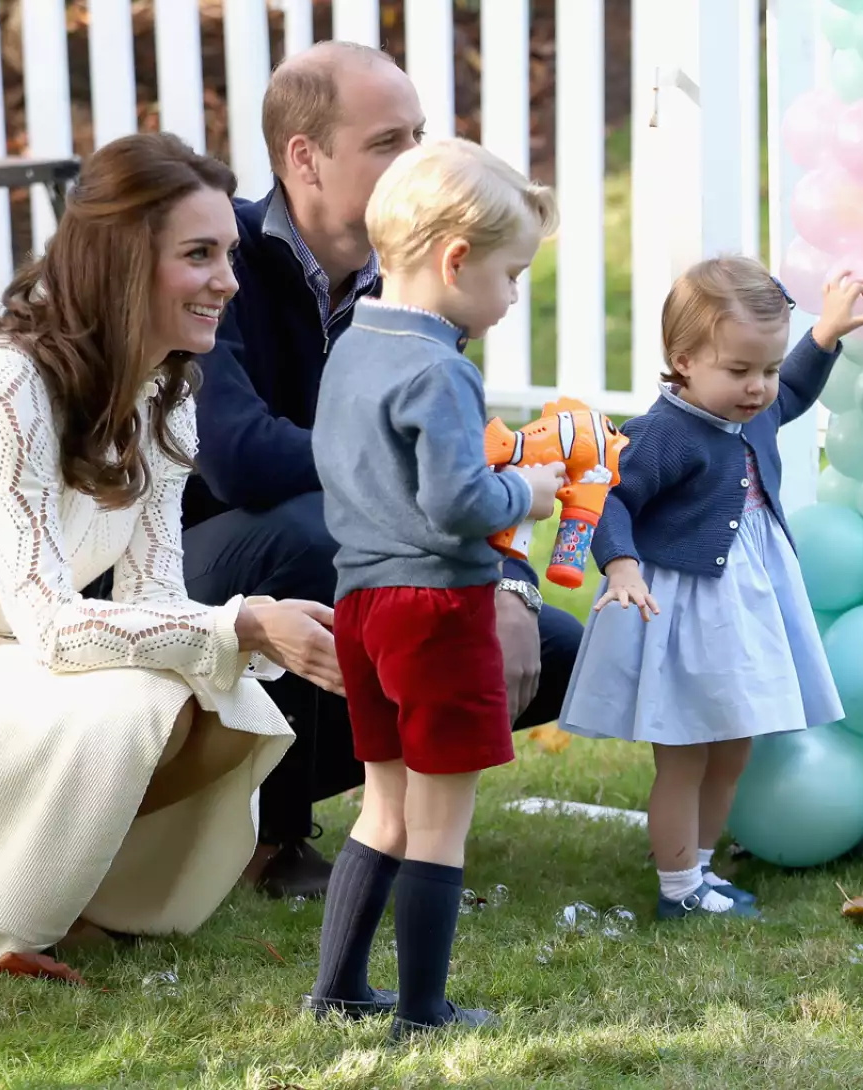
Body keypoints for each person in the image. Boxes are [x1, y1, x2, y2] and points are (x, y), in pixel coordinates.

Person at [0, 132, 342, 974]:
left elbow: (154, 599)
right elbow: (51, 629)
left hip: (3, 678)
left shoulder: (164, 395)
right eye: (198, 254)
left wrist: (236, 637)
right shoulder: (6, 385)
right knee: (140, 700)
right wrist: (243, 624)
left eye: (228, 253)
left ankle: (81, 890)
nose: (228, 279)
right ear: (122, 262)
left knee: (215, 696)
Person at [157, 39, 585, 900]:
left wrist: (510, 585)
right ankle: (270, 836)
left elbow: (453, 461)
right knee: (312, 532)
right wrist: (387, 465)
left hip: (341, 560)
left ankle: (349, 813)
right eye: (388, 140)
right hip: (181, 577)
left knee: (554, 652)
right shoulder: (221, 258)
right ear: (305, 159)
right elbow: (238, 459)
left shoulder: (418, 277)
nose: (416, 157)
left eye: (419, 134)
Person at [303, 138, 562, 1040]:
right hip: (439, 609)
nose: (513, 296)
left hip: (361, 604)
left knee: (384, 807)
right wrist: (525, 491)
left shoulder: (353, 346)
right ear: (455, 261)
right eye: (510, 275)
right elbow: (458, 504)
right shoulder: (442, 369)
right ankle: (424, 1010)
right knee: (441, 823)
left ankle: (339, 988)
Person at [557, 257, 863, 921]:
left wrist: (824, 335)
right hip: (686, 611)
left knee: (733, 745)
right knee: (685, 751)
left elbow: (793, 392)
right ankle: (678, 889)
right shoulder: (664, 433)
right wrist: (620, 564)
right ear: (683, 361)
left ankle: (699, 870)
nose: (758, 388)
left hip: (747, 602)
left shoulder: (752, 406)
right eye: (739, 370)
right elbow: (608, 496)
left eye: (766, 368)